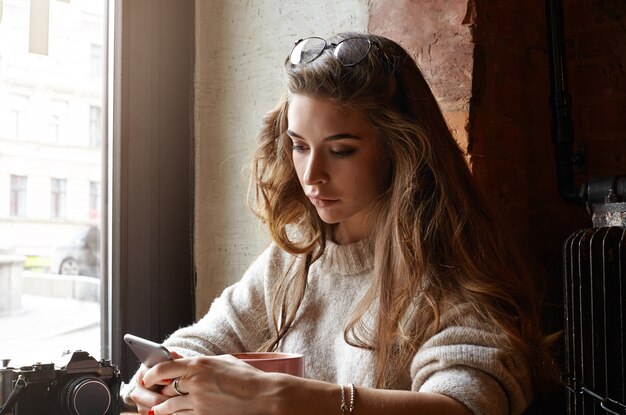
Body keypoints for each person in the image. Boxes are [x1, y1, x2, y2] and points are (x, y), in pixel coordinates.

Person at [122, 32, 558, 415]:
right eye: (298, 146)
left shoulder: (452, 271)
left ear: (401, 149)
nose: (311, 175)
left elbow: (464, 405)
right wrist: (165, 379)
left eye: (342, 150)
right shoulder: (295, 261)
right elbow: (203, 343)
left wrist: (286, 399)